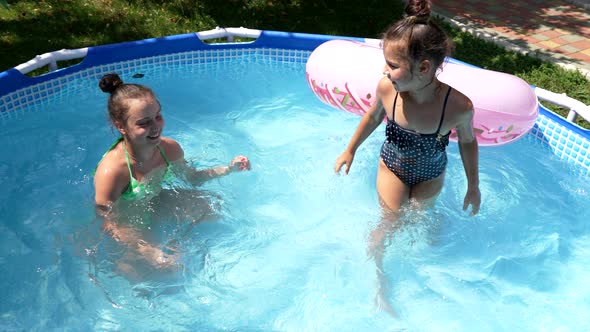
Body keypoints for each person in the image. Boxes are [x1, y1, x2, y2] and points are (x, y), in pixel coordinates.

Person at [333, 0, 480, 316]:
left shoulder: (457, 107)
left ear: (424, 68)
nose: (385, 70)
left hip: (431, 174)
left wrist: (474, 186)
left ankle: (428, 269)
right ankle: (379, 284)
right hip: (393, 167)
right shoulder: (389, 89)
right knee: (389, 222)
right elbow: (373, 118)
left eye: (392, 64)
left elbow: (468, 143)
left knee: (420, 218)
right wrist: (350, 149)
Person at [93, 73, 250, 279]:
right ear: (121, 127)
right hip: (129, 221)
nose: (156, 126)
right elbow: (107, 219)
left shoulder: (169, 149)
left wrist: (229, 169)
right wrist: (145, 249)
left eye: (158, 116)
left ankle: (187, 246)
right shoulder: (112, 171)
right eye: (144, 123)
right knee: (151, 271)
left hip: (156, 201)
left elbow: (192, 178)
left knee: (212, 205)